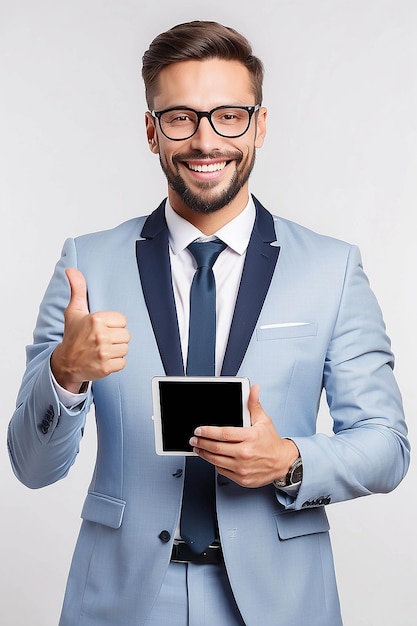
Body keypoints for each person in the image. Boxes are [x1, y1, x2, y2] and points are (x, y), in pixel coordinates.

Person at [7, 20, 410, 626]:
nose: (205, 141)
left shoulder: (333, 268)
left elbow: (388, 445)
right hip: (121, 602)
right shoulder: (85, 266)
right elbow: (31, 466)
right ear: (151, 131)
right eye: (180, 118)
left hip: (278, 601)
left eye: (228, 116)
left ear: (260, 126)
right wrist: (65, 374)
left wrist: (290, 460)